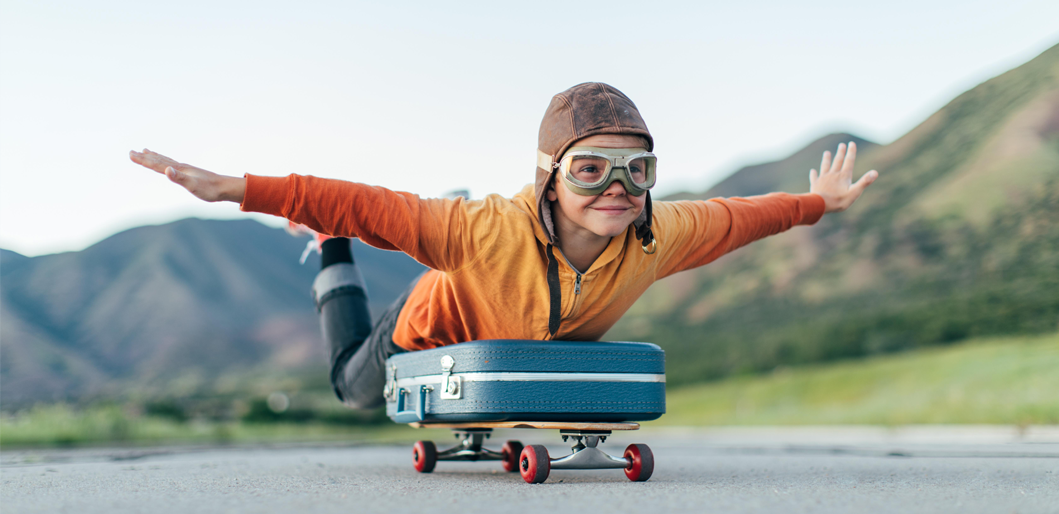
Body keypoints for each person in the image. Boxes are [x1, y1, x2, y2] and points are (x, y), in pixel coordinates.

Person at [130, 82, 878, 409]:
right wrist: (242, 190)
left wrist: (817, 204)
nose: (617, 187)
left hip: (518, 358)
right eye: (591, 169)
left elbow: (744, 215)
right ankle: (328, 254)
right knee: (350, 390)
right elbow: (367, 204)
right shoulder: (483, 228)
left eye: (636, 169)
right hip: (427, 337)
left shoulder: (660, 232)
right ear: (550, 177)